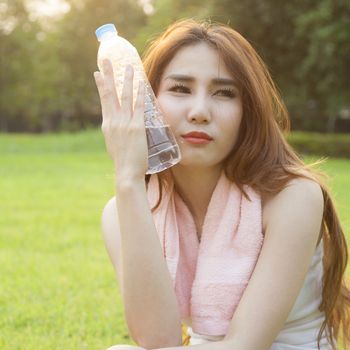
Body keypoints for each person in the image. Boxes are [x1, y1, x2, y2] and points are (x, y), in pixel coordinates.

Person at [93, 19, 350, 350]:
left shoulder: (292, 196)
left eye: (225, 93)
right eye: (180, 89)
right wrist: (128, 180)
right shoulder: (121, 213)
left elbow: (246, 345)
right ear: (147, 101)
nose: (200, 111)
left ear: (248, 111)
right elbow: (158, 340)